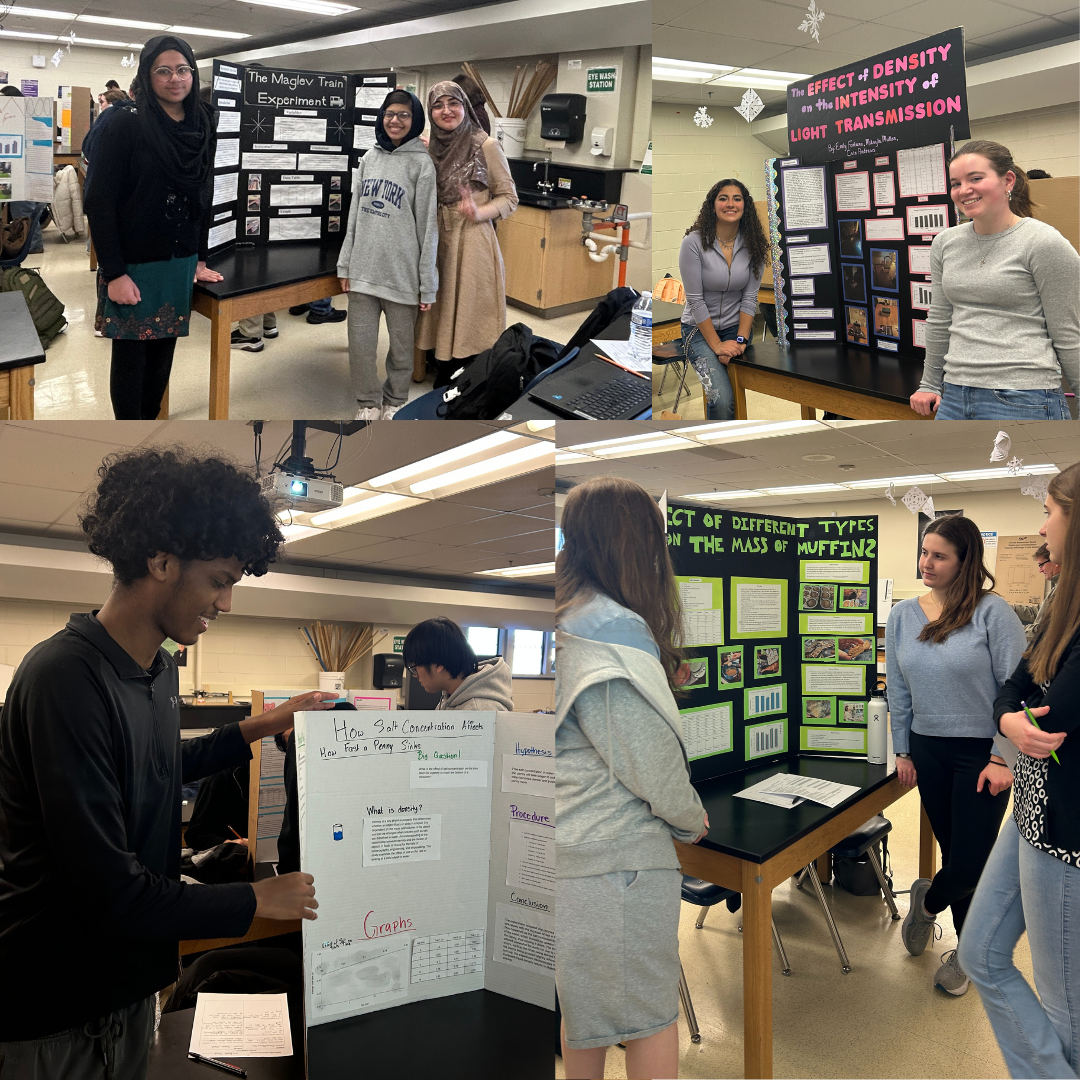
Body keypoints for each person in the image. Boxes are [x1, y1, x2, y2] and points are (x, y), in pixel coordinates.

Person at [0, 446, 335, 1077]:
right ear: (160, 562)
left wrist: (262, 725)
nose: (227, 603)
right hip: (54, 1008)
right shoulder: (63, 679)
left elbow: (157, 766)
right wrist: (257, 898)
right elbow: (112, 895)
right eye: (219, 581)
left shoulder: (156, 670)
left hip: (129, 986)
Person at [556, 476, 708, 1080]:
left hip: (575, 853)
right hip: (615, 863)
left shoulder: (567, 615)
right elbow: (650, 765)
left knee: (585, 1016)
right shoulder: (611, 630)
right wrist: (692, 819)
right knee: (649, 1017)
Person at [960, 462, 1079, 1080]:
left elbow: (1055, 712)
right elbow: (1016, 688)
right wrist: (1009, 722)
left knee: (1067, 1011)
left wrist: (1015, 715)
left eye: (1051, 512)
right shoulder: (1065, 608)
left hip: (1063, 831)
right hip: (1030, 810)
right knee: (980, 951)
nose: (1041, 527)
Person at [886, 514, 1027, 995]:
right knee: (956, 853)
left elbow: (1019, 689)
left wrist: (1003, 757)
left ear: (965, 561)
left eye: (939, 555)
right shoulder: (905, 614)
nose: (926, 562)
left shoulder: (993, 613)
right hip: (928, 749)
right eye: (924, 552)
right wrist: (902, 748)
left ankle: (926, 904)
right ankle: (967, 955)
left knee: (971, 861)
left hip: (981, 754)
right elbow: (899, 688)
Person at [83, 35, 226, 420]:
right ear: (148, 75)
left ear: (193, 73)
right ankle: (129, 438)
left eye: (183, 70)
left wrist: (198, 257)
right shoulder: (123, 122)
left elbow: (203, 193)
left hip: (177, 261)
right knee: (132, 360)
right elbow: (98, 200)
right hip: (132, 263)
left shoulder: (203, 121)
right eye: (163, 70)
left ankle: (148, 435)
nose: (174, 78)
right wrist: (113, 272)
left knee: (162, 356)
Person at [910, 140, 1080, 420]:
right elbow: (940, 319)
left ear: (1008, 180)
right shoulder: (945, 243)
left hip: (1025, 397)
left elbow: (1068, 332)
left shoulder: (1043, 242)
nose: (964, 190)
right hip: (954, 395)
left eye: (975, 178)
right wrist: (929, 383)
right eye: (955, 183)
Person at [337, 89, 438, 422]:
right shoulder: (369, 158)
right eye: (390, 114)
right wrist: (345, 262)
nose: (395, 121)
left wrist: (427, 284)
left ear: (415, 121)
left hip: (402, 274)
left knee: (401, 347)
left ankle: (395, 399)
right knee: (361, 346)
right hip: (364, 270)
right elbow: (354, 215)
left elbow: (428, 228)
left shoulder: (422, 165)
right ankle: (367, 402)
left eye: (404, 115)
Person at [415, 81, 518, 386]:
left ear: (465, 107)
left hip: (471, 238)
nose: (446, 111)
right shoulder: (432, 146)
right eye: (437, 105)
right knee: (438, 303)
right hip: (436, 236)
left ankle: (463, 370)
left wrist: (479, 212)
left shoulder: (485, 144)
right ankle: (438, 361)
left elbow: (509, 198)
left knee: (468, 306)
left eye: (453, 103)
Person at [678, 178, 767, 420]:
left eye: (737, 199)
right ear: (713, 206)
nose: (730, 204)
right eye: (723, 198)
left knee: (735, 392)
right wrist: (717, 345)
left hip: (735, 330)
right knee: (721, 398)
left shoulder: (755, 245)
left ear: (745, 206)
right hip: (697, 331)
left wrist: (740, 340)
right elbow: (695, 301)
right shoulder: (693, 244)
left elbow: (750, 298)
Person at [401, 616, 513, 710]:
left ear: (438, 664)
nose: (415, 675)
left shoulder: (479, 710)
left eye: (414, 668)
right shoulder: (450, 696)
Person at [1012, 542, 1059, 643]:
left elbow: (1046, 629)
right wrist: (1009, 608)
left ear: (1055, 561)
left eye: (1041, 565)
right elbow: (1038, 612)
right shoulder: (1058, 586)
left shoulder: (1066, 590)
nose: (1040, 570)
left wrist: (1014, 630)